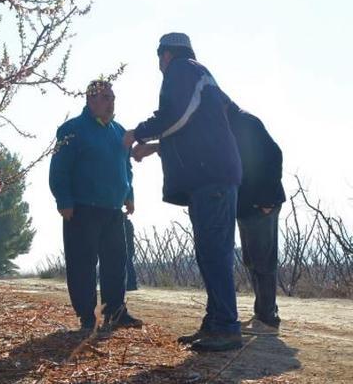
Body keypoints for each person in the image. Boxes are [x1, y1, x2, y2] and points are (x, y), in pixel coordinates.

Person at [125, 32, 243, 352]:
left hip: (211, 179)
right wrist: (152, 148)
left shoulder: (183, 70)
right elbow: (194, 128)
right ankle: (216, 322)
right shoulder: (198, 74)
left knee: (215, 253)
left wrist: (138, 132)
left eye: (158, 58)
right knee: (209, 252)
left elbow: (176, 114)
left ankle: (227, 327)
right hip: (211, 177)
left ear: (166, 54)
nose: (159, 66)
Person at [49, 79, 142, 332]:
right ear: (91, 100)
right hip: (81, 208)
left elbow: (126, 167)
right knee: (82, 264)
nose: (112, 103)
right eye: (106, 98)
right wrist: (64, 200)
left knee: (116, 261)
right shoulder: (71, 130)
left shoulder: (120, 131)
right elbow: (59, 170)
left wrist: (129, 194)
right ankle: (87, 317)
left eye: (113, 97)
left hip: (113, 209)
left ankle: (115, 311)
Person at [228, 103, 286, 335]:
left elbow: (274, 155)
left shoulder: (245, 122)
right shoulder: (229, 124)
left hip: (263, 203)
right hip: (247, 205)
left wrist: (266, 200)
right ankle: (263, 311)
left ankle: (268, 317)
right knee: (251, 259)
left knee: (263, 260)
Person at [124, 217, 139, 291]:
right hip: (129, 248)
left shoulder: (126, 224)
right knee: (129, 265)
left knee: (128, 265)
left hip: (128, 248)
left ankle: (131, 284)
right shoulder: (128, 224)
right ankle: (131, 284)